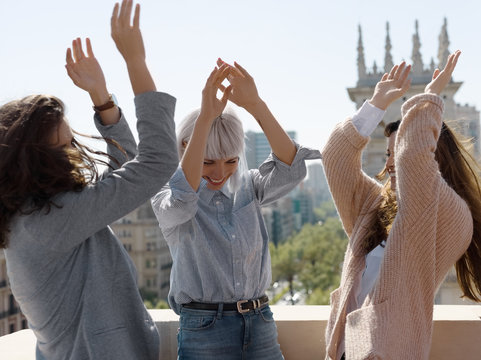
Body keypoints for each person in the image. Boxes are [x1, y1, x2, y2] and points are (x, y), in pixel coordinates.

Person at [0, 1, 178, 359]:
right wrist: (135, 62)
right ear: (35, 160)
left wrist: (102, 98)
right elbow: (156, 162)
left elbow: (126, 167)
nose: (72, 155)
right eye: (63, 148)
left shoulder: (35, 215)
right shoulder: (52, 220)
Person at [151, 59, 321, 359]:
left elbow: (292, 170)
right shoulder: (166, 196)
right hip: (204, 331)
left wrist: (255, 105)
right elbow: (182, 200)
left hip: (261, 323)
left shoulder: (249, 188)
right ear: (185, 148)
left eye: (230, 161)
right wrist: (205, 119)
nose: (219, 173)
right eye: (208, 161)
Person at [323, 50, 481, 359]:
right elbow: (334, 157)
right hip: (344, 351)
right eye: (387, 154)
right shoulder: (374, 205)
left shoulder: (451, 215)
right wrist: (375, 105)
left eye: (399, 151)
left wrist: (430, 98)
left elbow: (415, 163)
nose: (392, 163)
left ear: (437, 157)